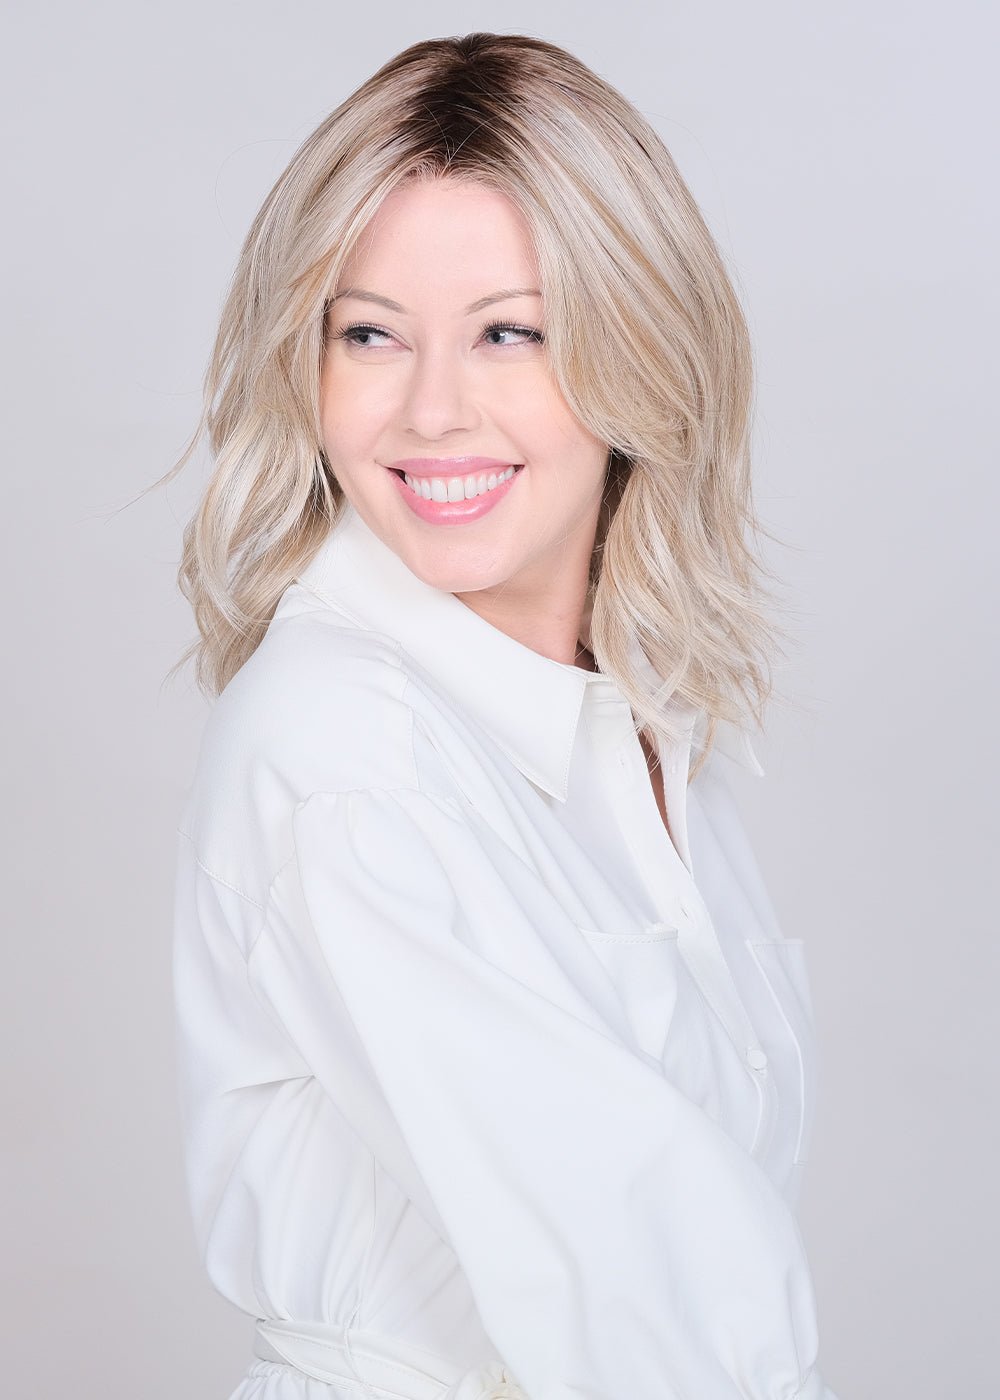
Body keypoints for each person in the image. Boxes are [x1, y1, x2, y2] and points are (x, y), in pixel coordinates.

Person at [169, 31, 839, 1400]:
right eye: (369, 334)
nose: (432, 411)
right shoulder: (347, 750)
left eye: (508, 332)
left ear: (640, 343)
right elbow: (631, 1276)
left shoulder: (636, 723)